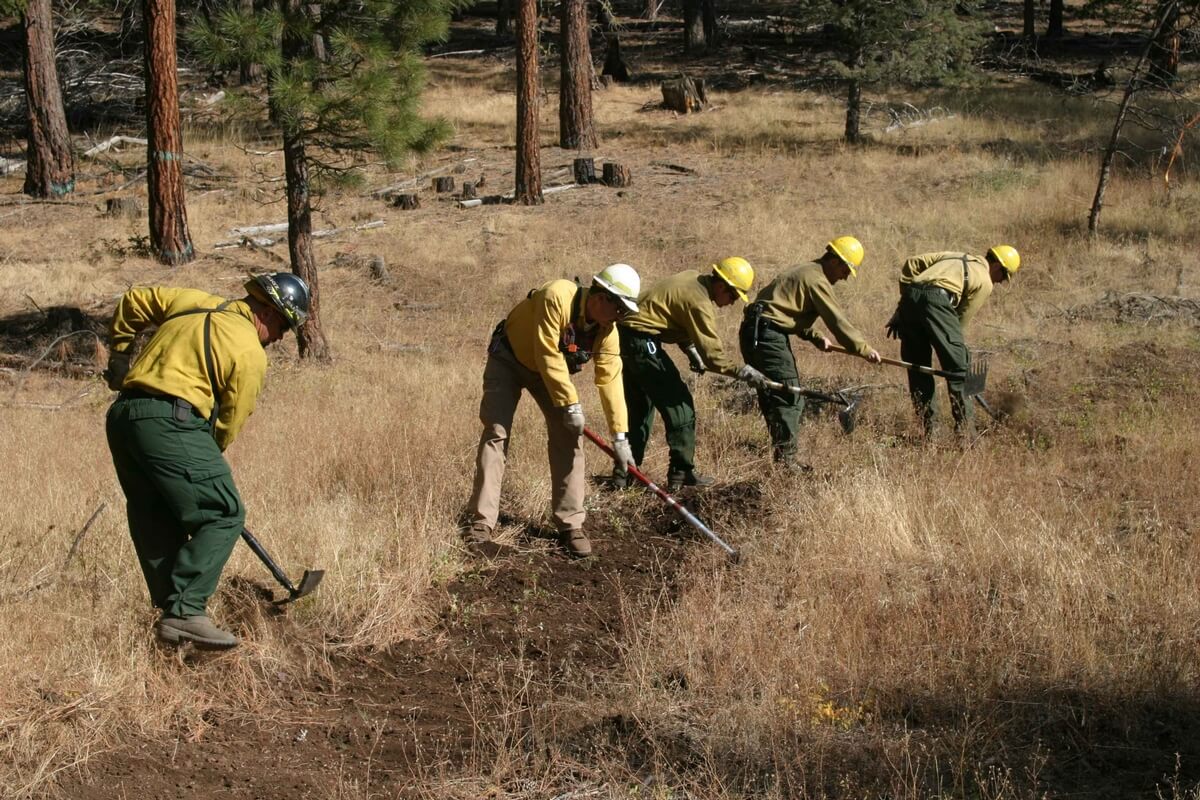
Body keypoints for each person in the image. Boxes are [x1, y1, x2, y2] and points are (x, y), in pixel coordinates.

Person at [104, 272, 310, 650]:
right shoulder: (249, 352)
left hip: (123, 418)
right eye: (283, 325)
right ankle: (186, 613)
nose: (280, 337)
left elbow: (133, 299)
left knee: (156, 518)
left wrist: (120, 355)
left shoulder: (191, 300)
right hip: (172, 423)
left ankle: (170, 626)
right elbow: (229, 423)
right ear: (266, 310)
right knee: (222, 512)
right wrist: (202, 462)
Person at [465, 264, 641, 558]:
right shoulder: (556, 296)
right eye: (620, 309)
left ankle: (571, 525)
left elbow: (610, 379)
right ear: (603, 298)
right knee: (496, 432)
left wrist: (620, 437)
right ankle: (481, 523)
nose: (621, 317)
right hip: (508, 358)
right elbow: (546, 352)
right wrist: (571, 404)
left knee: (569, 438)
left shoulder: (607, 331)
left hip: (548, 374)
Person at [613, 257, 767, 492]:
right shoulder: (700, 302)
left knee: (640, 410)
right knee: (680, 405)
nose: (731, 303)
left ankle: (625, 475)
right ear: (721, 286)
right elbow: (713, 357)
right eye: (733, 296)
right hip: (643, 342)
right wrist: (742, 371)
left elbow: (672, 313)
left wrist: (689, 349)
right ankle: (682, 473)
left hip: (626, 337)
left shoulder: (692, 277)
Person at [739, 236, 882, 467]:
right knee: (789, 397)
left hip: (753, 333)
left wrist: (814, 336)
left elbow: (783, 309)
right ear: (836, 262)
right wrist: (862, 349)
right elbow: (837, 320)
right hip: (768, 337)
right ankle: (787, 463)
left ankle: (781, 457)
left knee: (772, 394)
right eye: (846, 270)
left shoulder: (805, 271)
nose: (845, 277)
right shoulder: (817, 280)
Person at [887, 245, 1020, 437]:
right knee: (959, 368)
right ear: (998, 267)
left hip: (910, 296)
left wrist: (904, 305)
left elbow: (912, 263)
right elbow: (960, 322)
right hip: (938, 300)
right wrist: (951, 349)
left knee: (917, 366)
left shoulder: (954, 256)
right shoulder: (985, 281)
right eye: (1003, 277)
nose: (1000, 282)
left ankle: (931, 431)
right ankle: (967, 434)